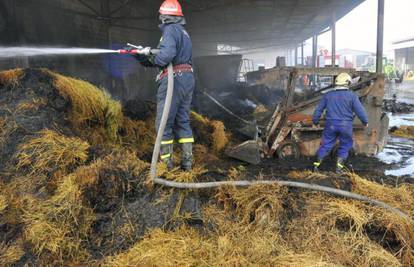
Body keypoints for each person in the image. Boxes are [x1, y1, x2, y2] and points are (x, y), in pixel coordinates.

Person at [131, 0, 195, 171]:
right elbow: (168, 56)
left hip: (174, 79)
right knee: (182, 120)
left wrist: (151, 55)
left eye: (161, 15)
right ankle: (187, 163)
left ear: (165, 16)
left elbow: (165, 57)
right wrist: (141, 55)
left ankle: (166, 166)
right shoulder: (183, 32)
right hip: (187, 78)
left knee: (163, 123)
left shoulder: (170, 30)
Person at [312, 73, 368, 173]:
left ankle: (316, 167)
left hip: (331, 125)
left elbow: (318, 110)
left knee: (325, 145)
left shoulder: (328, 95)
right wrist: (365, 121)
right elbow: (360, 111)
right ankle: (338, 169)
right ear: (347, 83)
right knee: (345, 145)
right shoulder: (352, 96)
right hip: (346, 126)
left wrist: (315, 121)